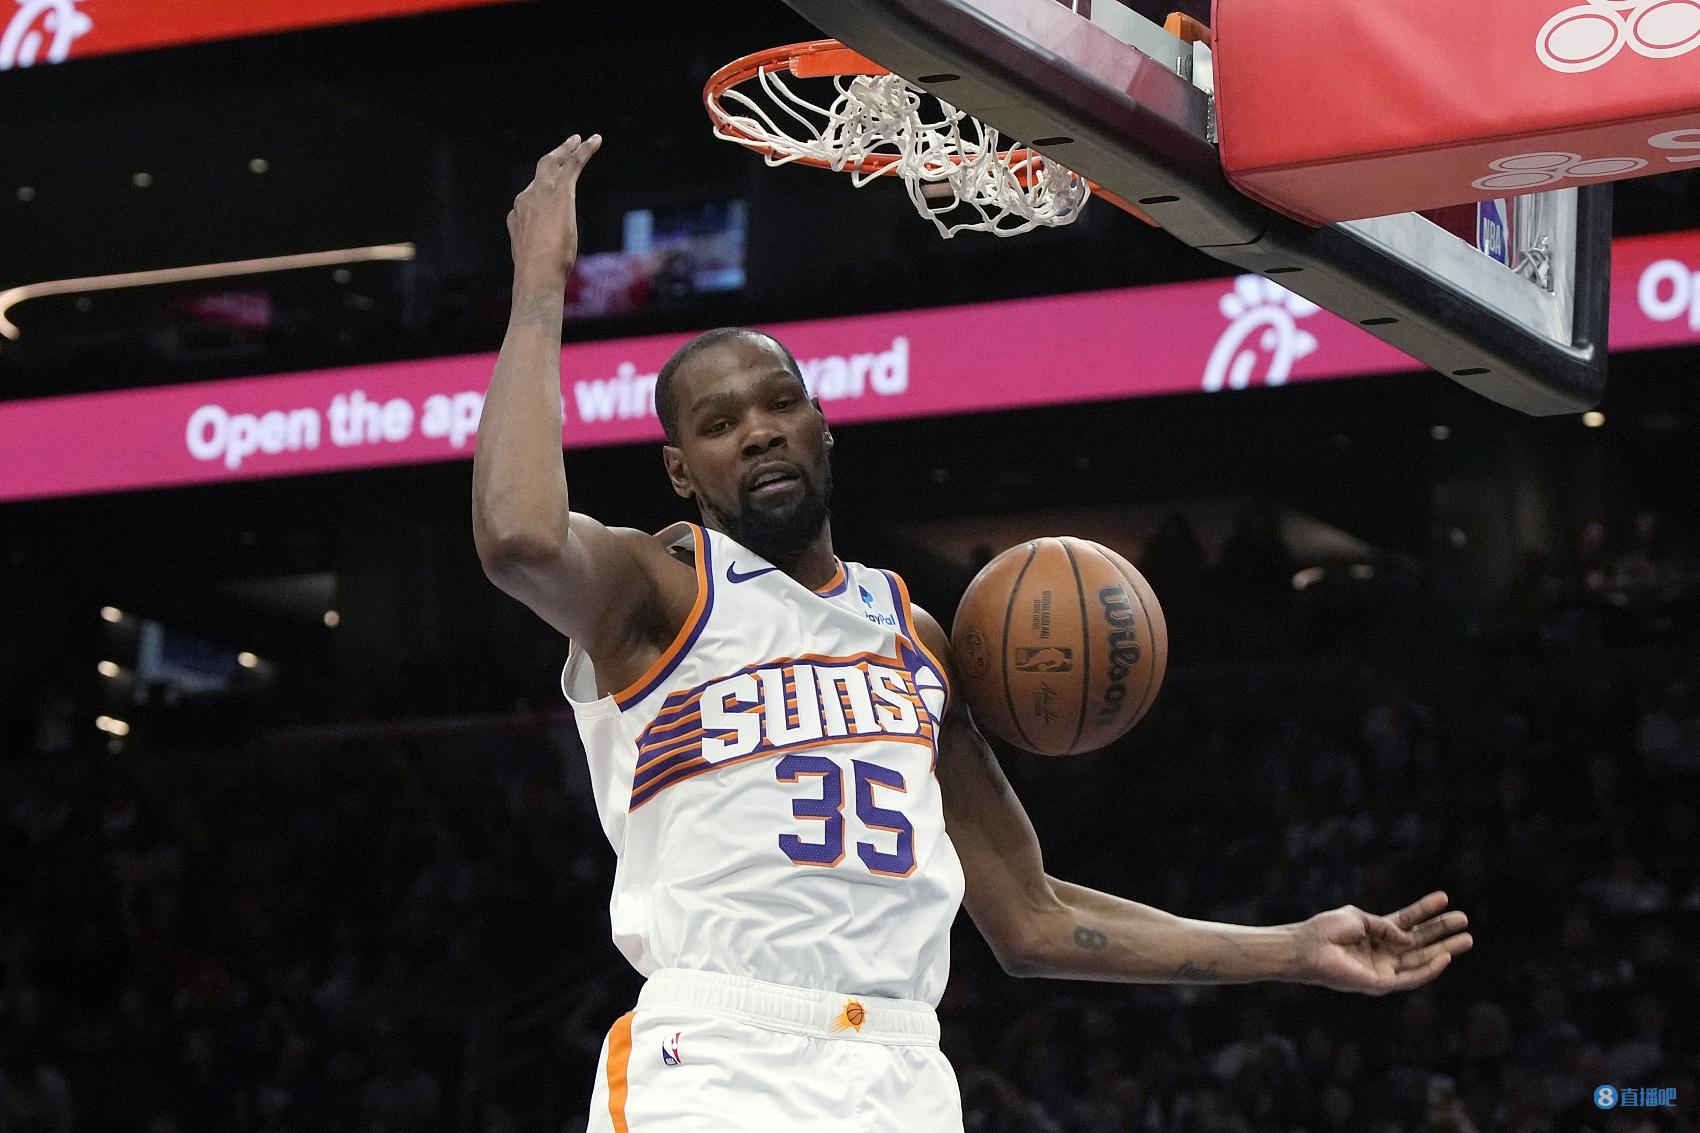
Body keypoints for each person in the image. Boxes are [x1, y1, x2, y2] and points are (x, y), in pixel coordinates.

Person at [472, 134, 1475, 1133]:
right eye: (720, 423)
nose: (761, 430)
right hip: (719, 1058)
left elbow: (1031, 916)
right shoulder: (659, 590)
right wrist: (539, 291)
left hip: (901, 1070)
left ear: (824, 426)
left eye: (780, 403)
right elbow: (518, 536)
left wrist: (1291, 948)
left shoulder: (914, 635)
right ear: (680, 470)